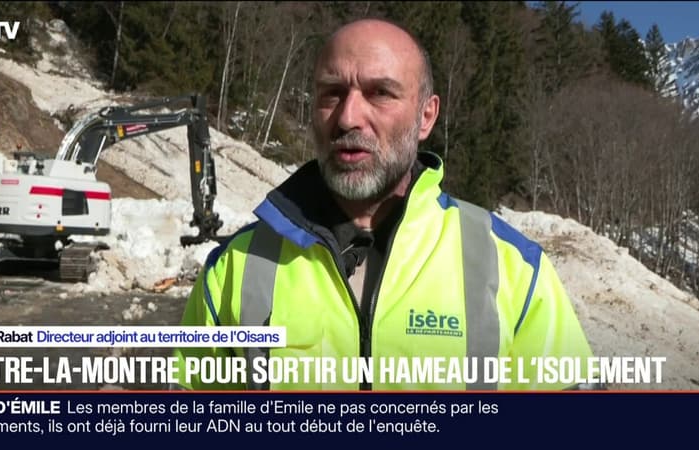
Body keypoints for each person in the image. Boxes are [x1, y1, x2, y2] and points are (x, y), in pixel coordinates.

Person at [173, 18, 595, 390]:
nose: (348, 117)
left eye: (380, 93)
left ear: (426, 117)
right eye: (332, 93)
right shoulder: (237, 268)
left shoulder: (511, 268)